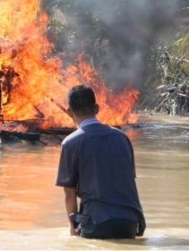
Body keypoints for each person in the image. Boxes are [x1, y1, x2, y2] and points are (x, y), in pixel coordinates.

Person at [56, 85, 146, 239]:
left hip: (97, 223)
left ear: (69, 112)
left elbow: (69, 195)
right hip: (130, 222)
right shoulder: (122, 138)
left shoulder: (71, 143)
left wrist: (73, 232)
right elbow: (129, 182)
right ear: (97, 108)